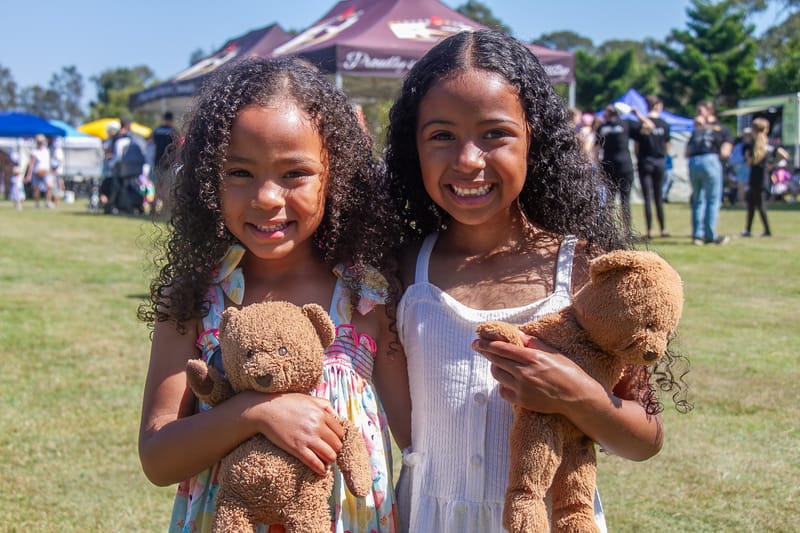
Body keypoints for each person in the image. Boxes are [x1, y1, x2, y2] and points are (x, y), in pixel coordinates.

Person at [383, 30, 688, 533]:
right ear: (412, 146)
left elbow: (646, 438)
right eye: (441, 135)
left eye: (494, 134)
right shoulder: (402, 271)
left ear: (535, 137)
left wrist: (578, 396)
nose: (468, 160)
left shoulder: (584, 271)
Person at [137, 57, 409, 533]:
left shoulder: (367, 298)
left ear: (336, 176)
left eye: (294, 173)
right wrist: (253, 413)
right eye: (239, 172)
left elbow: (416, 442)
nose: (265, 196)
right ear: (207, 180)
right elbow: (158, 459)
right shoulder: (194, 301)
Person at [596, 102, 653, 233]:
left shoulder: (603, 127)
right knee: (624, 200)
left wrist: (599, 167)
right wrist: (636, 113)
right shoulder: (626, 123)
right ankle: (626, 230)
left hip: (608, 166)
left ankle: (607, 230)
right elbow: (649, 126)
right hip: (624, 166)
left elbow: (595, 150)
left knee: (609, 201)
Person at [686, 100, 734, 245]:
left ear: (709, 111)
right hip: (710, 160)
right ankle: (710, 235)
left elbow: (686, 152)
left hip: (694, 162)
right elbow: (726, 152)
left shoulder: (696, 132)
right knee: (712, 200)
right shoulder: (722, 130)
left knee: (698, 199)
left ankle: (697, 235)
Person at [630, 95, 671, 239]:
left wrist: (640, 157)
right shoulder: (664, 124)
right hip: (659, 161)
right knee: (659, 196)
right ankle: (663, 229)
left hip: (645, 161)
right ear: (658, 106)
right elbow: (667, 146)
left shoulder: (641, 124)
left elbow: (636, 146)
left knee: (647, 197)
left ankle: (649, 231)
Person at [741, 117, 789, 237]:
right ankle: (750, 230)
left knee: (754, 205)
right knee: (757, 204)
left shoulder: (751, 145)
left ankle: (762, 230)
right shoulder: (769, 145)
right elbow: (784, 155)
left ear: (753, 129)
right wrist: (772, 165)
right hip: (764, 178)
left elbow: (748, 163)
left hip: (754, 178)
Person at [106, 117, 147, 214]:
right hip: (135, 168)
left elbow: (117, 157)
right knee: (133, 187)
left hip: (121, 169)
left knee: (118, 187)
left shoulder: (118, 139)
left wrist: (110, 164)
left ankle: (115, 206)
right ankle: (135, 205)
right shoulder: (136, 138)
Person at [151, 111, 175, 215]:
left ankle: (153, 208)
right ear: (171, 120)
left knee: (156, 187)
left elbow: (152, 142)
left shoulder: (156, 131)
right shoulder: (173, 131)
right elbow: (176, 146)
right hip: (169, 163)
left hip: (157, 161)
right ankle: (165, 209)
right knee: (167, 187)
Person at [24, 134, 55, 208]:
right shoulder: (34, 152)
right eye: (39, 142)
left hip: (45, 172)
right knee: (37, 189)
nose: (40, 143)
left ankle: (47, 202)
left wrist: (50, 171)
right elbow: (31, 164)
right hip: (37, 172)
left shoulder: (46, 151)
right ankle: (37, 203)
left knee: (49, 186)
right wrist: (29, 175)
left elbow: (48, 162)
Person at [728, 127, 753, 205]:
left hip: (738, 166)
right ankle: (742, 201)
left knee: (742, 184)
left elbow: (731, 158)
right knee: (743, 184)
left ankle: (742, 200)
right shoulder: (746, 146)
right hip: (743, 165)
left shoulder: (737, 145)